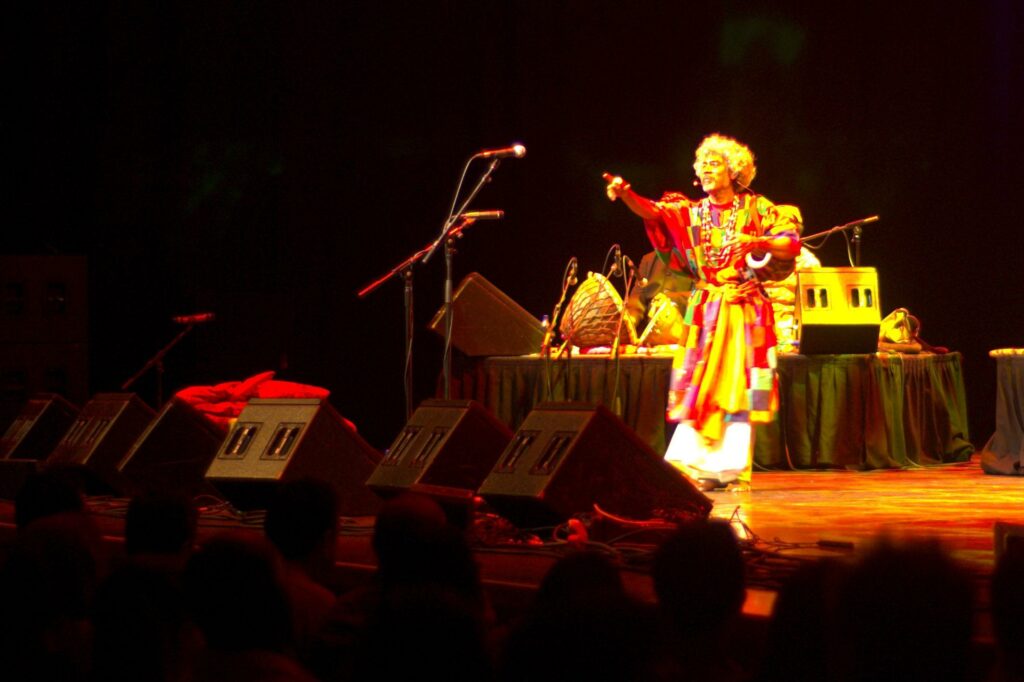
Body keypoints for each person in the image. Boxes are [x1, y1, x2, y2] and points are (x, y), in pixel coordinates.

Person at [604, 133, 802, 490]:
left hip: (745, 310)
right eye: (702, 164)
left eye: (715, 164)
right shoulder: (690, 212)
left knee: (737, 389)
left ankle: (728, 468)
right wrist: (626, 194)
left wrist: (757, 241)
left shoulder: (757, 209)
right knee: (698, 387)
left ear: (734, 171)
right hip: (706, 310)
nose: (706, 170)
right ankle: (692, 464)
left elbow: (790, 242)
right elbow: (652, 211)